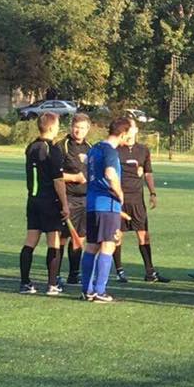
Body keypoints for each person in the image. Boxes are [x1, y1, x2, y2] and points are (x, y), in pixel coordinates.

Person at [80, 117, 135, 302]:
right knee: (108, 244)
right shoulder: (110, 150)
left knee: (91, 246)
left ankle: (87, 290)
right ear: (123, 133)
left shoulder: (94, 148)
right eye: (129, 133)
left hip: (92, 203)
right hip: (107, 204)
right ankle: (99, 291)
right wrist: (119, 193)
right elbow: (110, 173)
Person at [19, 112, 70, 295]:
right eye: (57, 125)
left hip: (33, 200)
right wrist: (65, 204)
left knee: (30, 241)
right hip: (49, 201)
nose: (58, 129)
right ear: (50, 127)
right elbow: (58, 180)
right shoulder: (52, 149)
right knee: (53, 241)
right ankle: (52, 284)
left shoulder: (31, 146)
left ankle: (25, 283)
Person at [113, 126, 169, 283]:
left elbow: (148, 173)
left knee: (144, 235)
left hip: (137, 200)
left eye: (131, 128)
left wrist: (153, 193)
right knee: (118, 235)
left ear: (136, 130)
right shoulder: (116, 150)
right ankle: (119, 271)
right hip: (120, 199)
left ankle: (150, 272)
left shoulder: (143, 150)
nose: (129, 131)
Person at [59, 113, 92, 286]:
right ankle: (55, 274)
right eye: (76, 127)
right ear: (71, 127)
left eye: (82, 128)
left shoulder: (90, 148)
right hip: (68, 198)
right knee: (62, 237)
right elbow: (54, 175)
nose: (78, 131)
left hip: (85, 199)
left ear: (88, 129)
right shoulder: (62, 146)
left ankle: (74, 274)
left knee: (80, 237)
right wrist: (74, 178)